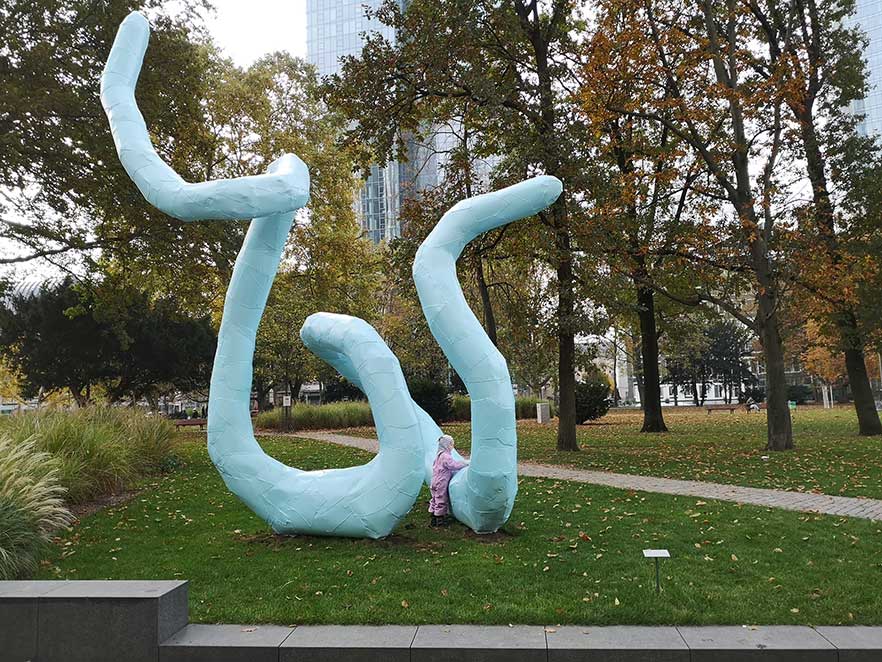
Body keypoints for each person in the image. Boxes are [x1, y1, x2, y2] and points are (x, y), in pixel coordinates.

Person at [429, 434, 468, 526]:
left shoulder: (438, 455)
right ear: (446, 445)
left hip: (434, 480)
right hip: (441, 482)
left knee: (434, 498)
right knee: (441, 498)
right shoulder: (446, 456)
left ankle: (433, 514)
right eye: (451, 444)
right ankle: (439, 519)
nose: (452, 447)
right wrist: (464, 464)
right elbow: (452, 465)